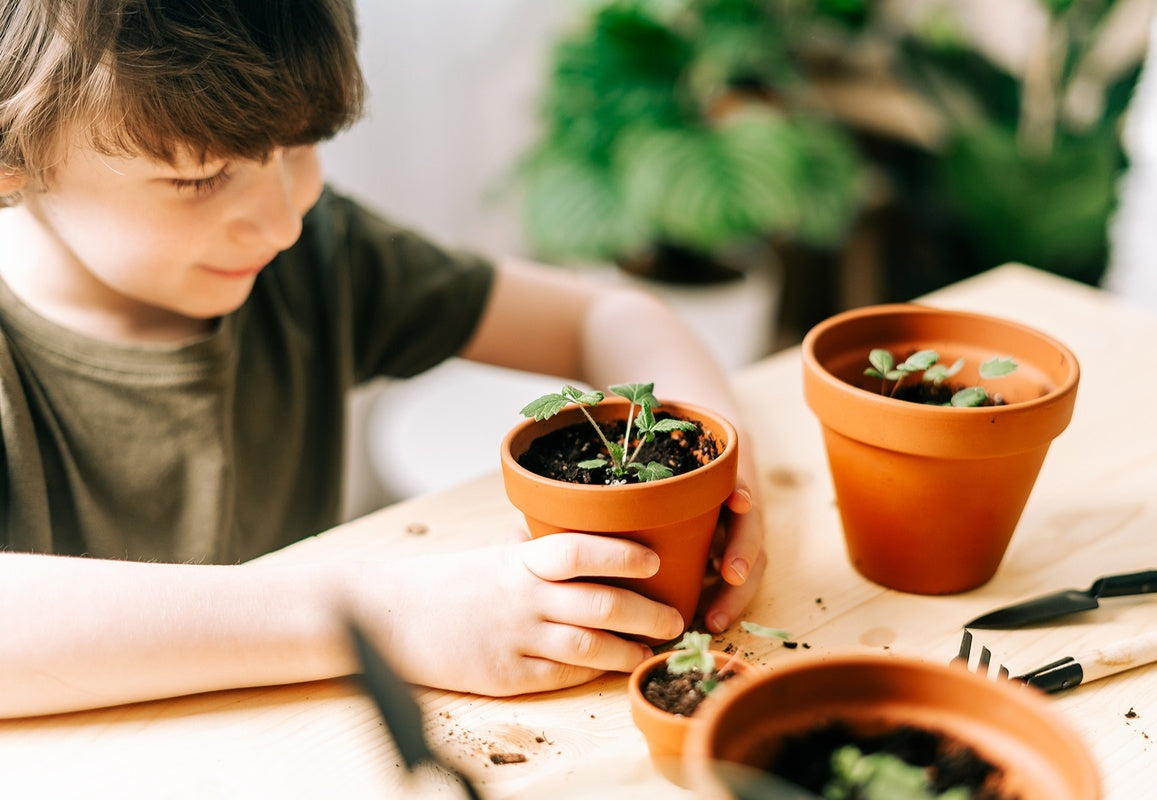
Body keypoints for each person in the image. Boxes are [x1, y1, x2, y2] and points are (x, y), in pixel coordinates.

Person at [0, 0, 764, 718]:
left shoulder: (319, 256)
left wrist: (722, 476)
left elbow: (610, 314)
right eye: (199, 177)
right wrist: (377, 618)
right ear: (14, 163)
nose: (281, 221)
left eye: (301, 147)